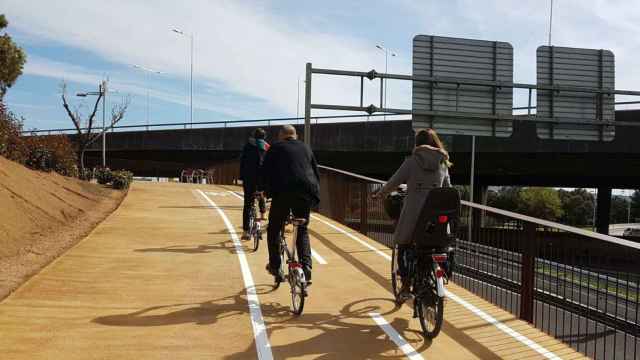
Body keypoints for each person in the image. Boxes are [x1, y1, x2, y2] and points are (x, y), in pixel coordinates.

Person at [373, 128, 452, 302]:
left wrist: (380, 194)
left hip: (414, 217)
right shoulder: (443, 164)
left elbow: (394, 182)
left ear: (417, 144)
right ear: (435, 143)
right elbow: (448, 190)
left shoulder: (412, 162)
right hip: (435, 219)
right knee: (435, 247)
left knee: (403, 245)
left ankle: (406, 287)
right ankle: (440, 279)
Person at [262, 125, 320, 284]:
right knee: (302, 229)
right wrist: (314, 195)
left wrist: (264, 191)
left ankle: (275, 266)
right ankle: (306, 267)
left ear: (281, 136)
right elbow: (315, 172)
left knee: (274, 228)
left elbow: (265, 171)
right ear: (295, 136)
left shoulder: (275, 148)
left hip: (283, 192)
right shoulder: (306, 148)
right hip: (305, 192)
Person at [239, 128, 270, 239]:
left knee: (248, 203)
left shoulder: (248, 146)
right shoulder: (267, 148)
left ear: (254, 136)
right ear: (264, 137)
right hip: (262, 179)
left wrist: (241, 177)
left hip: (249, 178)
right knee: (261, 193)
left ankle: (246, 231)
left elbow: (242, 162)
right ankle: (263, 213)